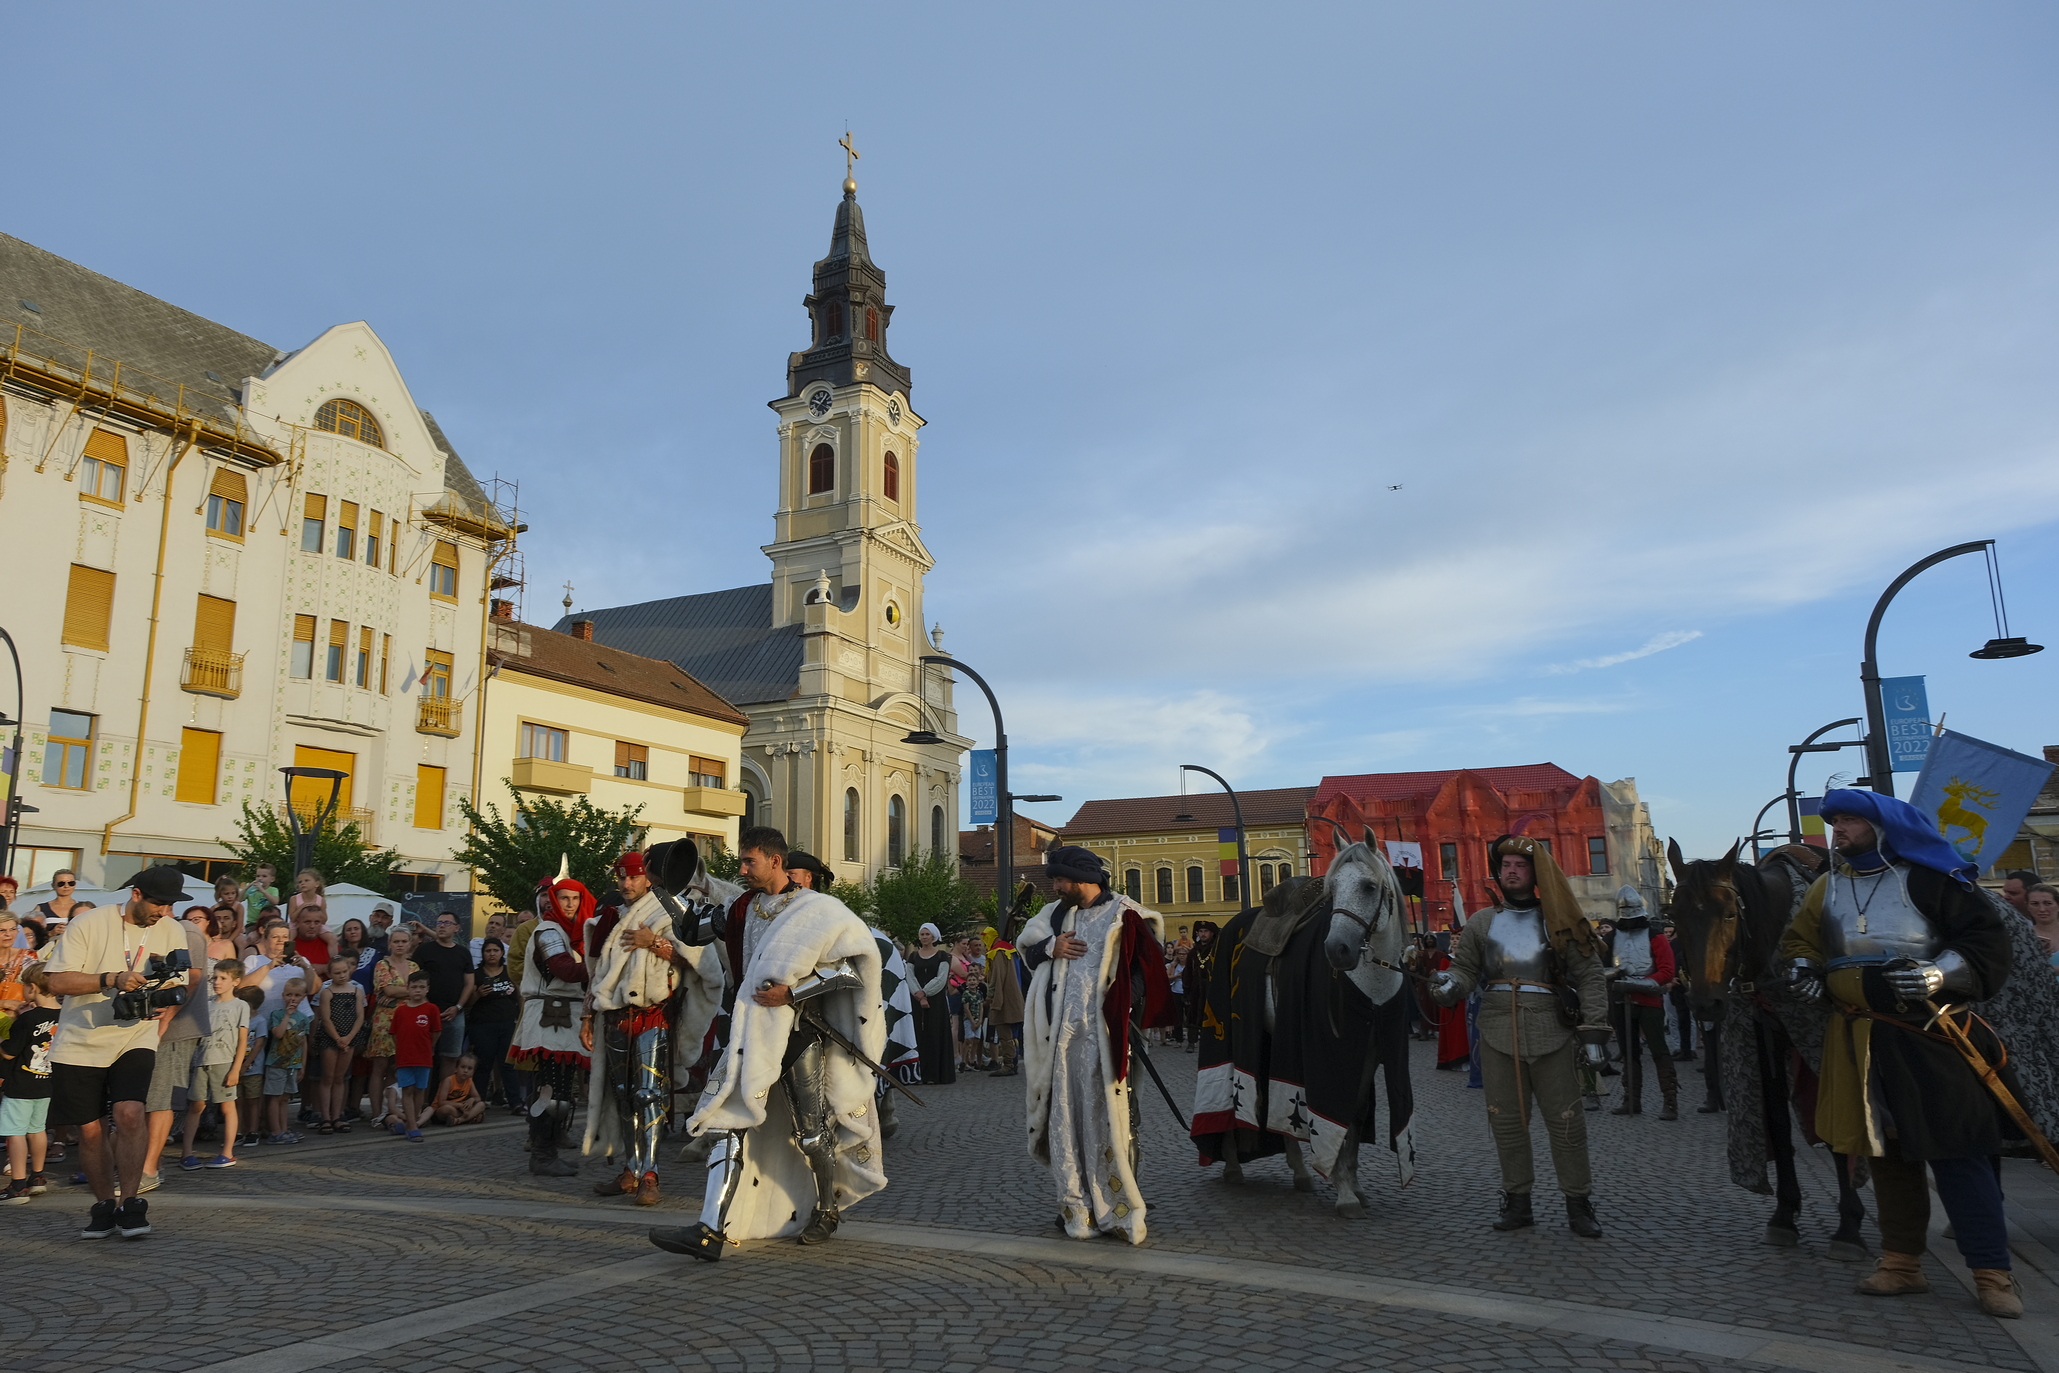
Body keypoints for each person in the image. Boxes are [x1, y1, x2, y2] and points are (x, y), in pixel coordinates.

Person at [1782, 789, 2027, 1319]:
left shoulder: (1933, 880)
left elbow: (1986, 943)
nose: (1838, 829)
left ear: (1884, 826)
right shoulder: (1826, 887)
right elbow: (1801, 942)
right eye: (1834, 821)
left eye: (1849, 820)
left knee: (1957, 1150)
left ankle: (1991, 1272)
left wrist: (1936, 972)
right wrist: (1802, 968)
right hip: (1857, 1038)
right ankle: (1902, 1262)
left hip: (1931, 1036)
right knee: (1885, 1152)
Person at [648, 825, 883, 1260]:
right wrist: (662, 885)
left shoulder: (819, 910)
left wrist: (791, 993)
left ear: (775, 861)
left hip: (798, 1033)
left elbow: (850, 971)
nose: (741, 869)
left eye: (748, 861)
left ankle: (827, 1209)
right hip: (749, 1031)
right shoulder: (741, 908)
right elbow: (689, 928)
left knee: (811, 1134)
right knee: (727, 1123)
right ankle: (710, 1230)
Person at [1430, 836, 1610, 1239]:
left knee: (1566, 1123)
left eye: (1521, 865)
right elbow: (1465, 971)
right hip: (1496, 1029)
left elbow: (1590, 976)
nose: (1512, 870)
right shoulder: (1481, 922)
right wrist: (1447, 985)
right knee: (1506, 1123)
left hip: (1552, 1029)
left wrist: (1594, 1028)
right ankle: (1518, 1201)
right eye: (1506, 864)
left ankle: (1578, 1203)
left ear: (1535, 872)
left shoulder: (1559, 919)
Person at [1018, 845, 1176, 1245]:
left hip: (1108, 1038)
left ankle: (1121, 1201)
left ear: (1083, 878)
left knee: (1119, 1119)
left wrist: (1122, 1003)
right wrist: (1049, 947)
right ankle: (1077, 1204)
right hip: (1061, 1041)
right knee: (1065, 1119)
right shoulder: (1055, 915)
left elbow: (1149, 966)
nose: (1055, 886)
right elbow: (1028, 947)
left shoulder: (1126, 914)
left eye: (1060, 879)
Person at [40, 866, 197, 1239]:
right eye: (159, 903)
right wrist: (111, 979)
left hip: (135, 1034)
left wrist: (160, 1008)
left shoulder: (172, 928)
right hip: (81, 1040)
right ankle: (104, 1205)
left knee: (129, 1113)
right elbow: (56, 980)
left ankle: (131, 1203)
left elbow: (180, 982)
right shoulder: (89, 924)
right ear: (137, 895)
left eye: (171, 904)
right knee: (91, 1132)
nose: (165, 911)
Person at [581, 845, 726, 1206]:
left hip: (653, 1016)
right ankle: (630, 1170)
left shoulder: (671, 910)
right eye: (622, 876)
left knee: (648, 1096)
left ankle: (650, 1174)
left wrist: (655, 942)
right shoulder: (612, 917)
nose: (627, 882)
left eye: (634, 875)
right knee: (622, 1096)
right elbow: (597, 972)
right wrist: (587, 1016)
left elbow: (699, 964)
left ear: (648, 878)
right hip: (614, 1017)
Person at [511, 872, 595, 1175]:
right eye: (564, 898)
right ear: (554, 901)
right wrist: (606, 964)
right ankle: (543, 1152)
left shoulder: (572, 933)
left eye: (575, 898)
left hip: (565, 1015)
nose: (570, 904)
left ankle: (548, 1148)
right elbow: (564, 970)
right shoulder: (547, 930)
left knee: (561, 1088)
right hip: (550, 1014)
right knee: (550, 1088)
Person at [140, 903, 213, 1194]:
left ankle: (148, 1169)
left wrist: (165, 1020)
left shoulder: (188, 932)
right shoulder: (154, 931)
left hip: (176, 1029)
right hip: (150, 1027)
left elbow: (192, 979)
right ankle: (142, 1163)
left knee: (160, 1098)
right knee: (146, 1098)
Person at [1602, 885, 1681, 1121]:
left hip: (1649, 1000)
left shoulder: (1654, 934)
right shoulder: (1611, 937)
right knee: (1628, 1052)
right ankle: (1631, 1099)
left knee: (1659, 1050)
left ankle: (1670, 1101)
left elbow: (1667, 971)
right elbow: (1603, 967)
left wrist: (1639, 984)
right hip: (1620, 999)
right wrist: (1614, 976)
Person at [179, 960, 249, 1170]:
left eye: (222, 978)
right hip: (201, 1060)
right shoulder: (206, 1003)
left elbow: (242, 1039)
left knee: (227, 1106)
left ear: (235, 982)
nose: (217, 982)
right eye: (215, 978)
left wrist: (236, 1068)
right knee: (196, 1105)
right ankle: (187, 1152)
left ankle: (227, 1152)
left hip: (224, 1061)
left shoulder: (240, 1005)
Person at [0, 964, 60, 1203]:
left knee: (15, 1133)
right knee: (38, 1130)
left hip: (21, 1084)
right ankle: (37, 1177)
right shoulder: (63, 1015)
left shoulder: (28, 1020)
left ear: (32, 988)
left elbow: (8, 1053)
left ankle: (17, 1185)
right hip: (46, 1082)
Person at [410, 911, 475, 1085]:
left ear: (457, 928)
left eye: (447, 922)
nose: (441, 925)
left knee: (450, 1058)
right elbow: (414, 980)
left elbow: (469, 983)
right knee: (424, 1058)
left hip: (454, 1014)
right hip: (426, 1013)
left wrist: (458, 1007)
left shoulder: (463, 953)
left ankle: (441, 1102)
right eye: (439, 922)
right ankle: (422, 1104)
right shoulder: (424, 950)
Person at [366, 927, 420, 1129]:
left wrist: (401, 992)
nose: (399, 945)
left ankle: (392, 1109)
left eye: (403, 941)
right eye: (396, 941)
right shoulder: (383, 964)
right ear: (390, 943)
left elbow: (420, 991)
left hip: (408, 1022)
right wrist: (409, 991)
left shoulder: (414, 966)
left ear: (409, 943)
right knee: (379, 1067)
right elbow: (388, 989)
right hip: (384, 1021)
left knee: (396, 1068)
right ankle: (376, 1113)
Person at [312, 956, 367, 1132]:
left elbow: (360, 1016)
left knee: (340, 1077)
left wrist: (349, 1038)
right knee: (327, 1077)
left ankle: (337, 1115)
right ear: (330, 974)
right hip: (330, 1038)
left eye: (344, 971)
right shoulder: (326, 992)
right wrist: (338, 1038)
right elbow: (325, 1019)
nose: (342, 975)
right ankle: (325, 1117)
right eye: (337, 973)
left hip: (349, 1039)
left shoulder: (357, 991)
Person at [465, 937, 521, 1108]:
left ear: (502, 953)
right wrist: (478, 994)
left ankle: (515, 1103)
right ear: (483, 953)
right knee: (483, 1065)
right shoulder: (477, 974)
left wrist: (521, 1018)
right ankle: (478, 1102)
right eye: (488, 951)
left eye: (495, 950)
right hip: (482, 1025)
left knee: (508, 1065)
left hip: (507, 1024)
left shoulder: (510, 971)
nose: (492, 954)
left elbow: (520, 996)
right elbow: (468, 1003)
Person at [389, 972, 441, 1142]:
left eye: (421, 987)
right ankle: (412, 1125)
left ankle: (413, 1121)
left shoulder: (432, 1009)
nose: (417, 990)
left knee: (420, 1090)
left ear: (427, 989)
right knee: (407, 1090)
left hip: (423, 1057)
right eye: (414, 987)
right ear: (408, 989)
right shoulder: (401, 1010)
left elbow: (435, 1032)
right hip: (405, 1058)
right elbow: (395, 1034)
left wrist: (428, 1047)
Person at [908, 923, 955, 1085]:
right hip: (917, 1001)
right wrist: (919, 996)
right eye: (922, 934)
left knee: (935, 1035)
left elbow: (941, 978)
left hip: (936, 1002)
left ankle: (936, 1074)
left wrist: (925, 992)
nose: (924, 937)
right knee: (919, 1035)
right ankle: (920, 1073)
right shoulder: (913, 957)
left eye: (927, 934)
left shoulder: (942, 956)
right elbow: (910, 977)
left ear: (933, 936)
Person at [984, 922, 1026, 1076]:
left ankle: (1009, 1064)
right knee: (1011, 1033)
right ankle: (1012, 1062)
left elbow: (997, 976)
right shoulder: (1008, 950)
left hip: (1004, 997)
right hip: (1013, 995)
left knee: (1005, 1033)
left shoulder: (997, 951)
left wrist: (991, 994)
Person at [1182, 921, 1218, 1056]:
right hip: (1195, 989)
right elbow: (1187, 973)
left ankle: (1211, 1042)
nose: (1203, 934)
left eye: (1206, 931)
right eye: (1201, 931)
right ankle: (1191, 1042)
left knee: (1211, 1014)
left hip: (1211, 988)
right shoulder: (1193, 953)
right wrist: (1186, 992)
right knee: (1192, 1015)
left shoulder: (1215, 950)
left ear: (1211, 933)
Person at [425, 1052, 487, 1127]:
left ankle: (459, 1120)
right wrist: (460, 1105)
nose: (465, 1071)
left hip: (460, 1110)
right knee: (447, 1108)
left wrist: (472, 1099)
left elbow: (478, 1098)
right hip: (443, 1110)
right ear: (456, 1068)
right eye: (463, 1067)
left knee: (482, 1104)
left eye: (469, 1068)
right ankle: (470, 1117)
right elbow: (441, 1102)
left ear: (473, 1072)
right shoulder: (448, 1081)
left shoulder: (469, 1081)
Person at [2026, 883, 2059, 964]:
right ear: (2028, 907)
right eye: (2035, 904)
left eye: (2048, 903)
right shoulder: (2023, 935)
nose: (2042, 909)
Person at [244, 863, 280, 928]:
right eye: (258, 876)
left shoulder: (273, 890)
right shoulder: (251, 890)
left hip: (268, 922)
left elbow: (275, 901)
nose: (260, 878)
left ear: (272, 879)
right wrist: (247, 887)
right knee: (252, 937)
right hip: (252, 923)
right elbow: (238, 899)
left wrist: (262, 891)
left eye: (264, 876)